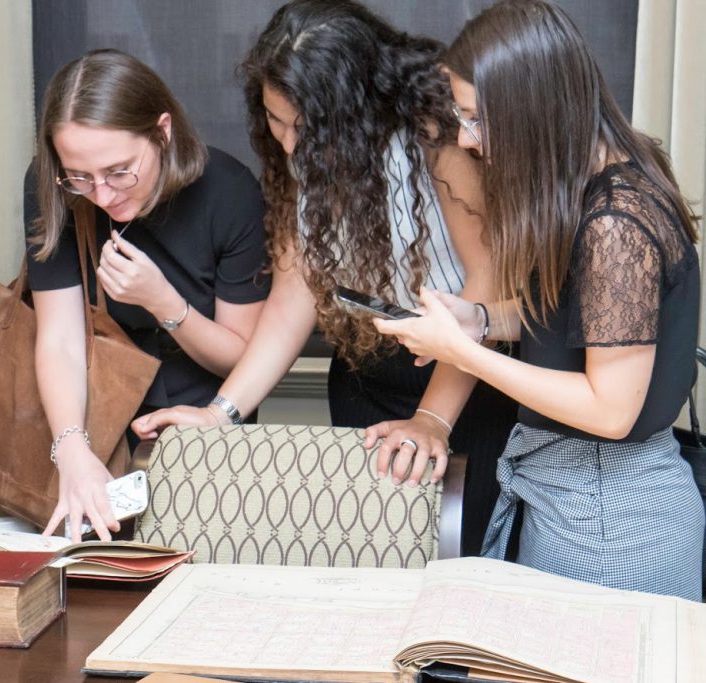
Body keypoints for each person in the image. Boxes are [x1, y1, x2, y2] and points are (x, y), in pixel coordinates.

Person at [133, 0, 517, 557]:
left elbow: (486, 278)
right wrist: (222, 413)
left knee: (453, 574)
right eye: (275, 120)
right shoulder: (297, 154)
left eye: (306, 128)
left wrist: (432, 419)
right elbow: (295, 293)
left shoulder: (441, 137)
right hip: (365, 376)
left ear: (357, 108)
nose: (289, 145)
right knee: (361, 567)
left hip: (464, 379)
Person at [375, 0, 703, 600]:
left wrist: (464, 353)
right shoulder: (610, 178)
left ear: (533, 109)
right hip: (574, 496)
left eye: (477, 119)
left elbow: (611, 410)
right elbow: (580, 324)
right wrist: (479, 319)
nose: (470, 141)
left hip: (610, 520)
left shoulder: (616, 222)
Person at [25, 49, 269, 542]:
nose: (103, 195)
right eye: (81, 176)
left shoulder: (228, 191)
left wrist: (164, 303)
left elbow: (242, 361)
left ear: (162, 131)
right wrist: (72, 450)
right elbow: (60, 340)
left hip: (204, 427)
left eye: (120, 171)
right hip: (94, 415)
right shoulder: (53, 186)